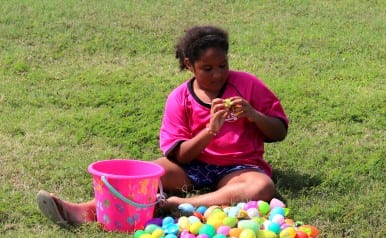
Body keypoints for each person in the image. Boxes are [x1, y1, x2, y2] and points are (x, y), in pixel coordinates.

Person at [37, 25, 288, 226]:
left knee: (262, 186)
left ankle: (180, 204)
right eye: (207, 68)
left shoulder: (247, 84)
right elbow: (179, 155)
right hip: (192, 167)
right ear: (189, 65)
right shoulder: (180, 98)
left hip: (240, 168)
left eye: (223, 65)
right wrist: (210, 131)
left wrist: (254, 115)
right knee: (144, 173)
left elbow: (279, 131)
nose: (217, 74)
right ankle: (82, 211)